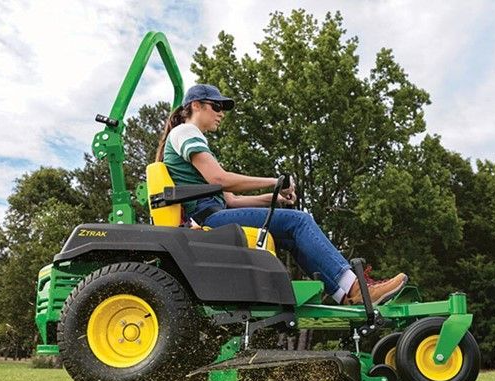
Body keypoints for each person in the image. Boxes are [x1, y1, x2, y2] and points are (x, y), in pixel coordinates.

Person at [155, 84, 407, 305]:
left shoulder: (188, 137)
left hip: (216, 213)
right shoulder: (186, 132)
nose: (221, 112)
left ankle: (345, 295)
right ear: (196, 105)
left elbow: (232, 200)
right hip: (209, 218)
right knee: (299, 221)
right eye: (216, 105)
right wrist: (276, 181)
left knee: (291, 230)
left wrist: (275, 197)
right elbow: (218, 179)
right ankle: (356, 288)